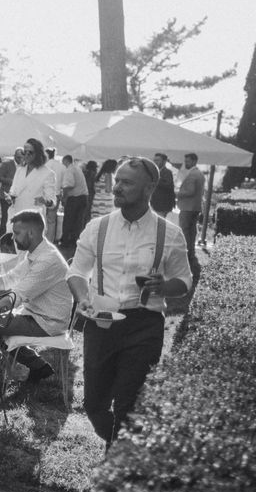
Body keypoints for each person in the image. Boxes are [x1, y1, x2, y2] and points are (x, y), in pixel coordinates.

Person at [67, 156, 191, 446]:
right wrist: (83, 299)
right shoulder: (98, 227)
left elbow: (184, 282)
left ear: (149, 189)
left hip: (144, 325)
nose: (116, 188)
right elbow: (76, 272)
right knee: (94, 405)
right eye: (117, 181)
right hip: (102, 321)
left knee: (128, 405)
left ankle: (116, 464)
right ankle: (121, 443)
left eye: (126, 182)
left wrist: (165, 285)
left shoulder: (169, 233)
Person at [0, 210, 72, 383]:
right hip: (33, 314)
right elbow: (7, 280)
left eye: (17, 233)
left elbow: (16, 296)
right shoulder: (36, 252)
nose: (13, 238)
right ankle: (37, 366)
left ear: (31, 233)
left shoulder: (47, 259)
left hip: (48, 321)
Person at [7, 138, 58, 232]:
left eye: (30, 152)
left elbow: (52, 202)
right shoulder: (20, 170)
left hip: (33, 219)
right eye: (24, 152)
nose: (26, 155)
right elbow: (13, 191)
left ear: (38, 154)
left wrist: (45, 201)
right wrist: (10, 198)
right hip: (15, 216)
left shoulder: (48, 173)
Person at [176, 152, 205, 270]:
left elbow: (190, 191)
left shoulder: (192, 174)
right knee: (192, 231)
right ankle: (191, 253)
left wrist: (177, 193)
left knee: (184, 231)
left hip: (188, 207)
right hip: (195, 207)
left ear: (194, 161)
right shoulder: (199, 173)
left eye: (187, 161)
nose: (185, 164)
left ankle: (186, 253)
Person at [59, 154, 90, 249]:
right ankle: (74, 240)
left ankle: (65, 241)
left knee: (68, 220)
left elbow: (69, 184)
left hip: (74, 198)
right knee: (78, 221)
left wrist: (64, 197)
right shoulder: (77, 168)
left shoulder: (69, 170)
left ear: (65, 161)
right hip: (83, 197)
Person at [150, 152, 176, 218]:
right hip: (154, 203)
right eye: (154, 160)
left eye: (158, 160)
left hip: (162, 204)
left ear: (164, 162)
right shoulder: (154, 172)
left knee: (160, 222)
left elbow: (168, 185)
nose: (155, 162)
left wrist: (156, 179)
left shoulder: (167, 172)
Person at [82, 160, 99, 226]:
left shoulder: (84, 173)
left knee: (83, 214)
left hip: (83, 195)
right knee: (88, 213)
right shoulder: (93, 174)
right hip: (90, 195)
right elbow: (92, 186)